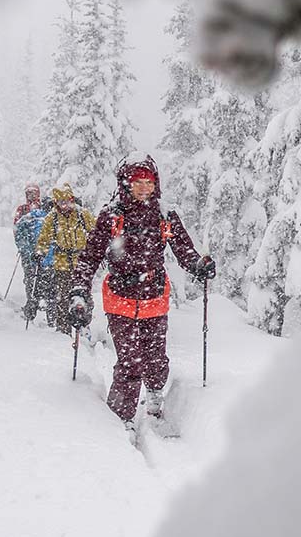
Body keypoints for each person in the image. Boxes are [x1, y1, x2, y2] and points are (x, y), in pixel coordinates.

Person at [69, 154, 215, 427]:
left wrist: (198, 264)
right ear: (125, 183)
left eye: (149, 182)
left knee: (156, 357)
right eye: (137, 181)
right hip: (120, 299)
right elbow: (89, 257)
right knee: (130, 361)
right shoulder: (111, 216)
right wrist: (79, 290)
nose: (144, 187)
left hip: (154, 297)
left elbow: (183, 249)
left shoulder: (164, 214)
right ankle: (121, 416)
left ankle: (156, 395)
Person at [35, 184, 96, 334]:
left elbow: (96, 233)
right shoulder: (53, 217)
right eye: (61, 202)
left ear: (72, 199)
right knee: (62, 297)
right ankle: (63, 328)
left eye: (67, 201)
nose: (65, 205)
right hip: (61, 262)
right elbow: (44, 238)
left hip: (81, 262)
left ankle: (84, 325)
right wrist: (40, 252)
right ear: (56, 202)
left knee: (85, 295)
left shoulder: (83, 215)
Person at [14, 203, 52, 323]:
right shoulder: (44, 218)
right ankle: (46, 314)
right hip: (39, 257)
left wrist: (25, 248)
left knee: (34, 284)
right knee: (39, 284)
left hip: (39, 256)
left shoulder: (33, 217)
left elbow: (18, 228)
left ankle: (32, 310)